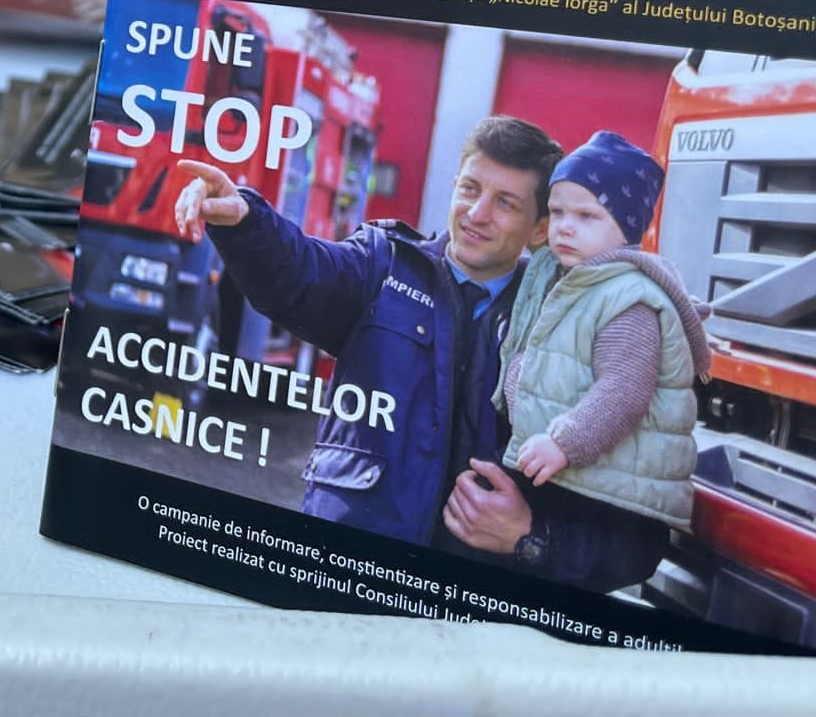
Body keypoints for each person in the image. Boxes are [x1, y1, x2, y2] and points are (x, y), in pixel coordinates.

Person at [173, 117, 666, 592]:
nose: (476, 214)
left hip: (470, 616)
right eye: (470, 189)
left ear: (540, 229)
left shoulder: (577, 326)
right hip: (344, 582)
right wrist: (244, 221)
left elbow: (634, 538)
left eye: (505, 203)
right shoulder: (380, 267)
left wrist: (530, 540)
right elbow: (299, 269)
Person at [497, 132, 710, 550]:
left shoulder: (627, 299)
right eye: (557, 212)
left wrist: (563, 443)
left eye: (586, 216)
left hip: (610, 499)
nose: (564, 227)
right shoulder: (578, 284)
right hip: (584, 478)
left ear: (626, 226)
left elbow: (624, 389)